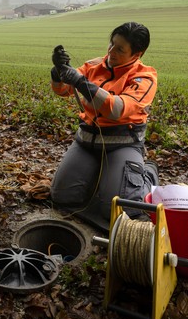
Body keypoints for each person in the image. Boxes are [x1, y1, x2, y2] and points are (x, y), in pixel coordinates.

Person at [49, 22, 159, 231]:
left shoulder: (145, 78)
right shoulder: (94, 65)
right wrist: (58, 72)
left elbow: (117, 109)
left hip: (122, 146)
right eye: (112, 44)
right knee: (62, 196)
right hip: (86, 144)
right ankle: (103, 175)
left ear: (137, 54)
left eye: (120, 49)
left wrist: (82, 83)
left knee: (118, 210)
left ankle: (148, 172)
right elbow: (63, 90)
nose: (111, 51)